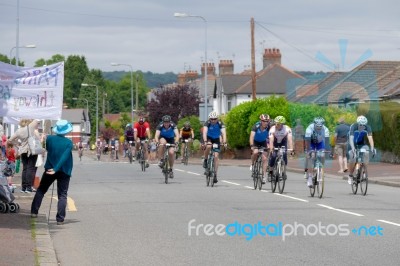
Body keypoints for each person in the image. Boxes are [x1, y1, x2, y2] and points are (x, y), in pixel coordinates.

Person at [31, 120, 74, 225]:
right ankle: (60, 219)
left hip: (49, 168)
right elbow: (64, 157)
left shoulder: (49, 139)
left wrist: (54, 168)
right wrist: (57, 168)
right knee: (62, 194)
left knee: (41, 190)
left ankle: (34, 211)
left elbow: (48, 149)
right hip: (64, 170)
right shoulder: (69, 143)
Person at [8, 119, 41, 193]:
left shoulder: (19, 131)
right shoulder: (30, 127)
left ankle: (23, 187)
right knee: (31, 168)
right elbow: (37, 120)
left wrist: (17, 144)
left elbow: (10, 140)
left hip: (23, 150)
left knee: (25, 169)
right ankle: (29, 187)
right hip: (31, 150)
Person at [347, 115, 375, 185]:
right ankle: (350, 175)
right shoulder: (353, 126)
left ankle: (364, 172)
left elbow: (370, 138)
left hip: (361, 144)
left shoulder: (368, 127)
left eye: (363, 125)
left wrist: (372, 148)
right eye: (360, 125)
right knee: (352, 158)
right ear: (357, 123)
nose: (362, 127)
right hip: (352, 144)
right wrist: (353, 149)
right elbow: (351, 139)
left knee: (366, 153)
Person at [304, 117, 331, 188]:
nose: (319, 128)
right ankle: (309, 177)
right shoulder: (309, 129)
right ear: (314, 124)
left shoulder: (325, 129)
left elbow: (327, 142)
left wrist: (328, 150)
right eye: (317, 126)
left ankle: (320, 168)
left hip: (320, 143)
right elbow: (307, 141)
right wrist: (308, 150)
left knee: (322, 155)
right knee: (312, 156)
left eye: (320, 127)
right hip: (311, 143)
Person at [202, 111, 227, 184]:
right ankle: (206, 160)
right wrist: (205, 141)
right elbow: (204, 133)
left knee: (216, 156)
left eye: (214, 119)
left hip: (216, 139)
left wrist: (225, 142)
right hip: (208, 138)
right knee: (209, 146)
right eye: (211, 119)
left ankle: (215, 174)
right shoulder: (207, 123)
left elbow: (224, 133)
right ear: (209, 119)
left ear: (217, 119)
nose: (213, 120)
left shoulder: (220, 123)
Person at [268, 116, 293, 181]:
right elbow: (271, 140)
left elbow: (290, 140)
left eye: (278, 124)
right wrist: (271, 149)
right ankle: (270, 172)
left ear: (282, 124)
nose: (276, 125)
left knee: (284, 154)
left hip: (283, 142)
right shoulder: (272, 129)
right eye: (276, 123)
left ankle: (283, 171)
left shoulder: (287, 129)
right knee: (273, 156)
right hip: (275, 142)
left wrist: (291, 149)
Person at [249, 114, 271, 184]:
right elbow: (251, 136)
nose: (265, 122)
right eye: (264, 121)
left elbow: (271, 137)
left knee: (264, 158)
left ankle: (264, 176)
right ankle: (252, 164)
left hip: (263, 142)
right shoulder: (256, 126)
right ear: (261, 121)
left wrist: (269, 145)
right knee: (255, 152)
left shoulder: (269, 127)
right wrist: (252, 145)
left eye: (267, 121)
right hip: (255, 142)